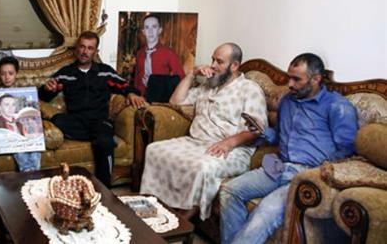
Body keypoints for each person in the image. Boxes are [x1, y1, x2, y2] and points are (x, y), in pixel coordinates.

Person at [220, 53, 358, 244]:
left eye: (297, 79)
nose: (290, 84)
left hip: (306, 176)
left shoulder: (337, 106)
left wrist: (318, 173)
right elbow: (279, 136)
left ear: (316, 79)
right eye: (288, 77)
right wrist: (262, 131)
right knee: (229, 190)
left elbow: (348, 150)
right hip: (278, 166)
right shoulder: (288, 101)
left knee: (264, 212)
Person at [139, 43, 268, 220]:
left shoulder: (250, 90)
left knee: (202, 167)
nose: (213, 65)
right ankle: (152, 207)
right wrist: (192, 74)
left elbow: (257, 130)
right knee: (154, 149)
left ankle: (180, 222)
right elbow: (175, 101)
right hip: (195, 142)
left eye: (219, 62)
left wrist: (228, 142)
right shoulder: (210, 84)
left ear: (235, 65)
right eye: (212, 59)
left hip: (231, 149)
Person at [39, 31, 146, 186]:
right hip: (76, 121)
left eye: (90, 48)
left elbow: (124, 85)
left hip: (99, 120)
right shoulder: (66, 73)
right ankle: (99, 137)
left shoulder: (105, 71)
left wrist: (131, 93)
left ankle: (104, 188)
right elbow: (45, 95)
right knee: (57, 119)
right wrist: (48, 89)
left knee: (104, 142)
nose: (85, 51)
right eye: (82, 47)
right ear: (76, 49)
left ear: (95, 52)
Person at [0, 56, 42, 172]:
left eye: (10, 73)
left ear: (16, 73)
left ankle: (35, 172)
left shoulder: (25, 93)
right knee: (19, 149)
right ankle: (27, 172)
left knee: (34, 149)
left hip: (26, 132)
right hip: (11, 135)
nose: (7, 77)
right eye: (3, 74)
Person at [134, 14, 185, 99]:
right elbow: (137, 79)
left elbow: (181, 78)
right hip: (140, 99)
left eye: (154, 27)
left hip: (160, 99)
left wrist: (156, 83)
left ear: (160, 30)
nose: (150, 31)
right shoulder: (139, 53)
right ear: (143, 32)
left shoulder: (169, 53)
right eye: (147, 27)